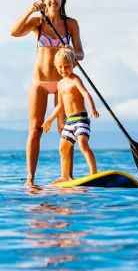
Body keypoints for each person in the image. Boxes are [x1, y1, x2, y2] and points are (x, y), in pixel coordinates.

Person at [10, 0, 84, 186]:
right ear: (43, 0)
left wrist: (71, 53)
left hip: (63, 83)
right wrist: (29, 11)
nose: (53, 1)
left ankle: (67, 176)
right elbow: (14, 33)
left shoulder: (71, 24)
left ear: (62, 0)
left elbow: (81, 54)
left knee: (65, 129)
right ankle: (30, 180)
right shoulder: (38, 22)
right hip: (40, 83)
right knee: (35, 129)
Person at [42, 47, 99, 182]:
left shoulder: (75, 80)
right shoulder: (60, 84)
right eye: (60, 67)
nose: (63, 70)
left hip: (80, 119)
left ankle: (93, 173)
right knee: (63, 148)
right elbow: (60, 106)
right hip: (69, 122)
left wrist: (92, 108)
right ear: (56, 66)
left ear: (74, 64)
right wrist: (49, 120)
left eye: (66, 66)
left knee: (83, 143)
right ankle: (65, 176)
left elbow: (85, 93)